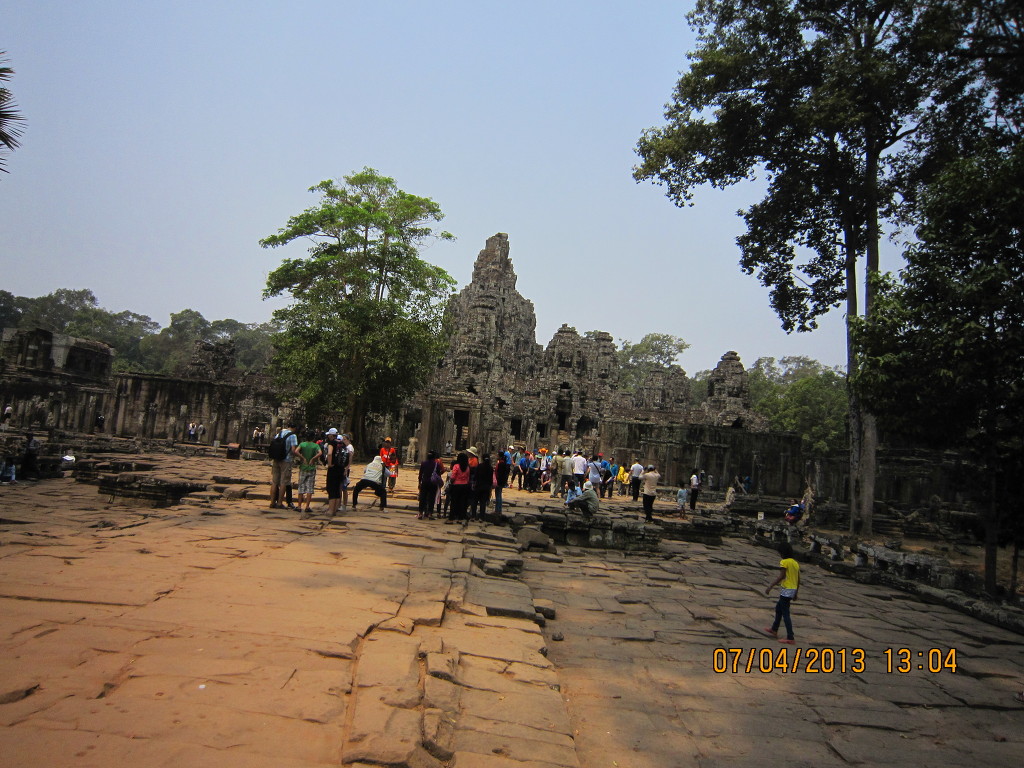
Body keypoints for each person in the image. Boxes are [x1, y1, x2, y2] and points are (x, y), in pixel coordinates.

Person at [765, 542, 800, 644]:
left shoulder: (784, 562)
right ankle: (774, 628)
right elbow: (798, 579)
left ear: (782, 553)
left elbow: (782, 576)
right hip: (792, 589)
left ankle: (790, 637)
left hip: (786, 589)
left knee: (785, 613)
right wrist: (796, 592)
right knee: (779, 608)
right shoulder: (795, 563)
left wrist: (770, 586)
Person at [267, 424, 298, 510]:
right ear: (294, 428)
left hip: (276, 458)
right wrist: (296, 456)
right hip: (286, 460)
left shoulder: (279, 433)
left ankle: (272, 502)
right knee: (283, 482)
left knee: (274, 481)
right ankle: (280, 503)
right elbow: (293, 450)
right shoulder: (293, 436)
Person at [294, 430, 322, 517]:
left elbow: (296, 451)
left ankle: (299, 506)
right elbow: (320, 453)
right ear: (313, 437)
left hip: (303, 467)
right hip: (311, 467)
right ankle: (307, 506)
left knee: (301, 487)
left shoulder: (302, 444)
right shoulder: (315, 445)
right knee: (310, 488)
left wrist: (302, 458)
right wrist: (313, 459)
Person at [323, 429, 349, 517]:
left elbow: (330, 454)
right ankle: (335, 509)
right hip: (341, 468)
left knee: (331, 489)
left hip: (333, 468)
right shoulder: (342, 443)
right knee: (338, 489)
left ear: (331, 435)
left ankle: (330, 510)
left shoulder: (332, 443)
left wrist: (329, 464)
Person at [417, 451, 444, 519]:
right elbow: (438, 474)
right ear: (434, 457)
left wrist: (419, 482)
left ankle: (420, 513)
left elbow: (420, 474)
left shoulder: (423, 463)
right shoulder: (436, 464)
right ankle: (430, 513)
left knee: (423, 497)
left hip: (425, 482)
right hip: (433, 483)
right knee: (431, 498)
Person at [448, 452, 472, 524]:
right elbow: (468, 478)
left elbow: (453, 476)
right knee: (462, 502)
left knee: (454, 502)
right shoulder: (467, 467)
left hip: (456, 486)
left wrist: (451, 481)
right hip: (465, 486)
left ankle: (451, 518)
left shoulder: (456, 466)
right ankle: (460, 518)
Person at [471, 452, 494, 519]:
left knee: (475, 501)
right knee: (483, 503)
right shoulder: (490, 468)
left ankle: (473, 516)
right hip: (486, 487)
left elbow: (475, 476)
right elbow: (491, 479)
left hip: (478, 486)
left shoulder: (479, 466)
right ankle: (481, 517)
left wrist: (474, 482)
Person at [494, 450, 510, 514]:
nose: (496, 456)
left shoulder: (501, 464)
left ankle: (498, 510)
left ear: (500, 457)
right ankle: (498, 509)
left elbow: (500, 474)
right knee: (499, 495)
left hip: (499, 481)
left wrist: (498, 482)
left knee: (498, 496)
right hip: (501, 481)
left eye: (497, 455)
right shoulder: (502, 463)